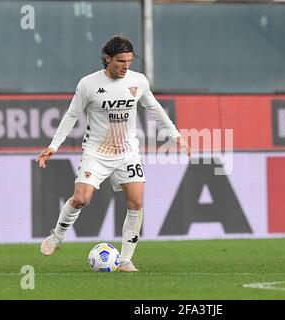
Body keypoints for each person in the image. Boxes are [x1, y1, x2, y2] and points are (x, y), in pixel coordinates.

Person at [36, 35, 191, 272]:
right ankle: (57, 235)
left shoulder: (138, 81)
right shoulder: (88, 84)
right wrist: (54, 146)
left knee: (136, 202)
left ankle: (126, 260)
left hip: (127, 152)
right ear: (107, 58)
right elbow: (71, 115)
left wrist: (175, 134)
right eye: (120, 61)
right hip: (96, 152)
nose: (126, 66)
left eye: (129, 61)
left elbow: (154, 107)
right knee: (80, 199)